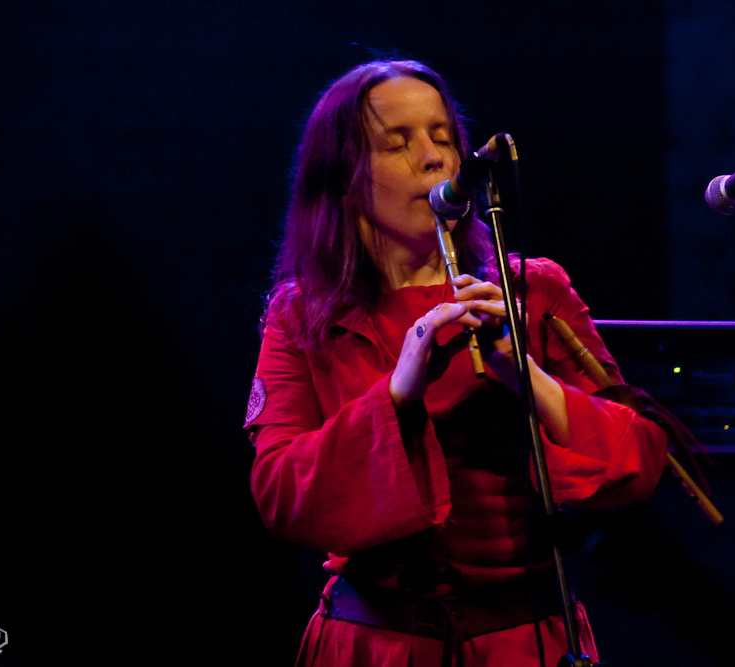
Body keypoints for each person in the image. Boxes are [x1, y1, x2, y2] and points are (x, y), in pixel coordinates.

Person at [245, 59, 668, 667]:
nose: (434, 159)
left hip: (522, 643)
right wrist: (398, 393)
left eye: (443, 138)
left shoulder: (531, 290)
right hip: (375, 645)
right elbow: (282, 496)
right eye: (398, 143)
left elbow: (639, 462)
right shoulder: (301, 314)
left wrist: (524, 375)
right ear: (344, 179)